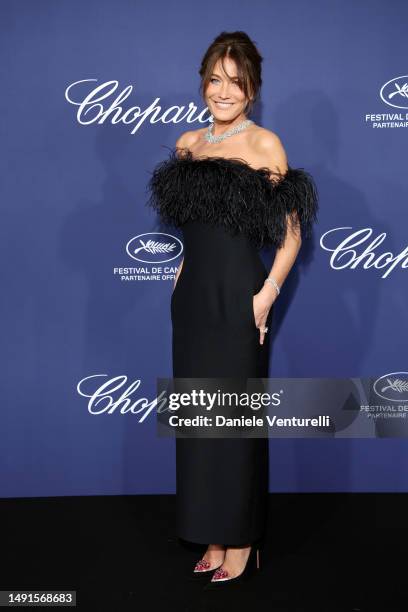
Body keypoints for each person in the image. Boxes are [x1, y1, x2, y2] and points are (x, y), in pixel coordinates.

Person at [146, 30, 319, 588]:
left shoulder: (265, 146)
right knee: (200, 421)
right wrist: (178, 275)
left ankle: (243, 541)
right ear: (203, 82)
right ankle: (211, 534)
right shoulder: (187, 144)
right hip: (192, 299)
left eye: (236, 82)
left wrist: (266, 293)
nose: (224, 91)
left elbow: (291, 236)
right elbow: (192, 229)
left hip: (238, 296)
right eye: (216, 79)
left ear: (252, 88)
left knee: (235, 421)